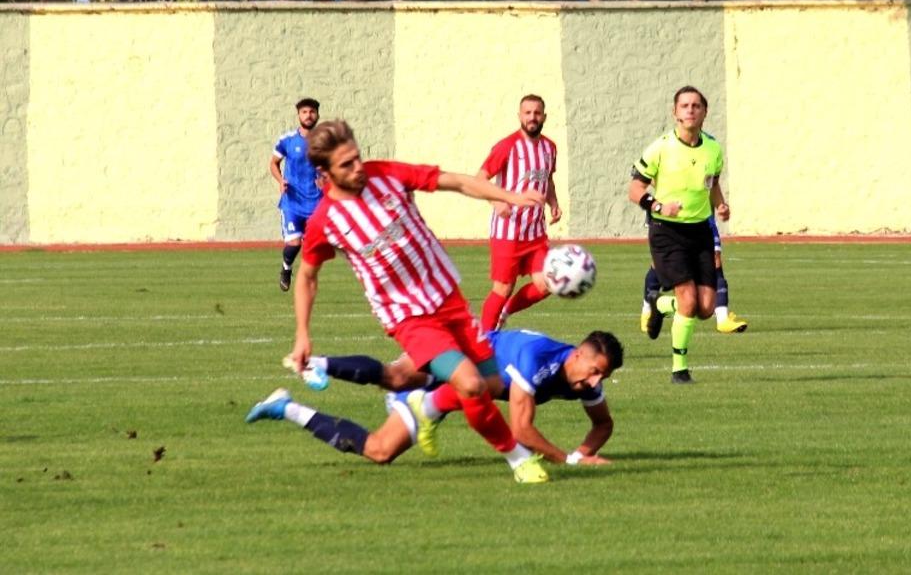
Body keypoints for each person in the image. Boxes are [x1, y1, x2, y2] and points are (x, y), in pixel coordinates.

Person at [258, 119, 551, 483]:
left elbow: (455, 181)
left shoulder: (387, 175)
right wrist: (302, 333)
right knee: (471, 385)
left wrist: (506, 196)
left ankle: (421, 404)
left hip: (448, 298)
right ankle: (519, 459)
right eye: (346, 164)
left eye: (357, 158)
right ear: (325, 172)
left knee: (488, 387)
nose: (358, 168)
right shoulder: (325, 221)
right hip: (409, 318)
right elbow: (307, 277)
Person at [253, 329, 623, 467]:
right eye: (594, 371)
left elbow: (603, 423)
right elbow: (522, 430)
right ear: (576, 354)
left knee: (381, 451)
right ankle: (313, 362)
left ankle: (285, 406)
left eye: (602, 376)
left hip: (460, 390)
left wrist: (584, 451)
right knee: (397, 376)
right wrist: (571, 461)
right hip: (455, 356)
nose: (595, 382)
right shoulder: (536, 359)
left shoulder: (585, 380)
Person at [628, 86, 728, 384]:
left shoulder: (713, 149)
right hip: (666, 231)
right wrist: (658, 205)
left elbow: (712, 186)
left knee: (706, 308)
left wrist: (720, 205)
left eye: (696, 105)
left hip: (699, 231)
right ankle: (679, 369)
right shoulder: (660, 147)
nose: (690, 110)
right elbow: (634, 190)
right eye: (684, 105)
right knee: (687, 300)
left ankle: (660, 304)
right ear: (675, 112)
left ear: (704, 112)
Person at [477, 95, 561, 332]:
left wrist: (553, 202)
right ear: (520, 116)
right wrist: (496, 201)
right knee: (502, 288)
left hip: (535, 232)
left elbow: (548, 179)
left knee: (548, 283)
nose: (532, 117)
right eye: (527, 113)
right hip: (508, 231)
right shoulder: (506, 146)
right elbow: (479, 179)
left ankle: (506, 311)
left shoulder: (549, 147)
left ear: (544, 116)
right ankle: (482, 341)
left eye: (537, 113)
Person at [640, 215, 748, 333]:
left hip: (701, 214)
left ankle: (722, 319)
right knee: (659, 263)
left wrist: (720, 204)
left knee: (715, 257)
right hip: (668, 214)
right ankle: (648, 310)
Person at [269, 98, 322, 292]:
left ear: (317, 115)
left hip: (317, 203)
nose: (308, 115)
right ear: (299, 115)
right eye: (304, 112)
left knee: (315, 248)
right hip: (292, 203)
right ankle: (286, 269)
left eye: (312, 112)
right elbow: (273, 163)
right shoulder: (287, 140)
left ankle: (306, 281)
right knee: (294, 243)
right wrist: (280, 180)